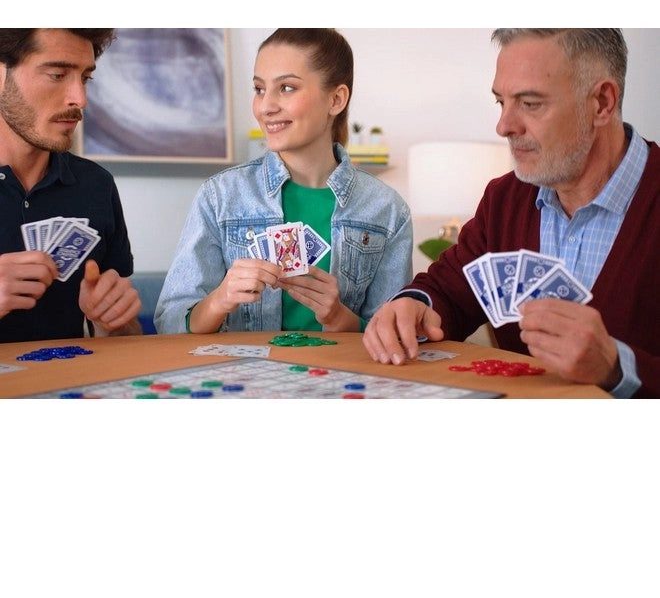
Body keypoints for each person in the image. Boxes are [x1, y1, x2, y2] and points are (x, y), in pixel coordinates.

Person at [363, 29, 659, 398]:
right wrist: (413, 305)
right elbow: (448, 291)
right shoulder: (504, 199)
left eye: (530, 103)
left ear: (601, 102)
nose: (504, 126)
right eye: (501, 102)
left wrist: (617, 367)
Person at [155, 28, 413, 335]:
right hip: (243, 377)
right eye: (259, 89)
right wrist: (220, 299)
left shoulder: (388, 211)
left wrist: (339, 318)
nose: (265, 107)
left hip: (343, 380)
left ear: (336, 99)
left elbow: (393, 334)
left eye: (287, 88)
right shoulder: (220, 197)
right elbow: (169, 323)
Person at [0, 29, 142, 342]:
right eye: (57, 74)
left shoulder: (96, 185)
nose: (80, 99)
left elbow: (125, 342)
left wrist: (113, 322)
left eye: (86, 78)